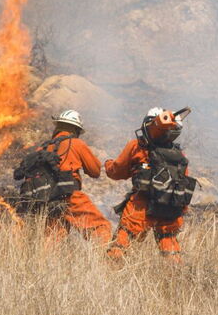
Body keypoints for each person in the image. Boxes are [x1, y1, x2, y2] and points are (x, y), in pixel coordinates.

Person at [106, 107, 196, 260]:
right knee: (170, 249)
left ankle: (112, 276)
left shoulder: (137, 146)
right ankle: (176, 279)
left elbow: (117, 172)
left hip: (141, 205)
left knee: (122, 243)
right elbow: (183, 182)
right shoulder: (178, 154)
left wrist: (108, 164)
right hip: (170, 208)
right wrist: (182, 209)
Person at [13, 110, 112, 243]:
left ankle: (44, 264)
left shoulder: (42, 149)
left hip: (46, 200)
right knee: (100, 227)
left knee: (52, 239)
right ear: (76, 129)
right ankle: (109, 260)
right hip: (69, 197)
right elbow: (95, 171)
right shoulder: (76, 143)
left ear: (57, 127)